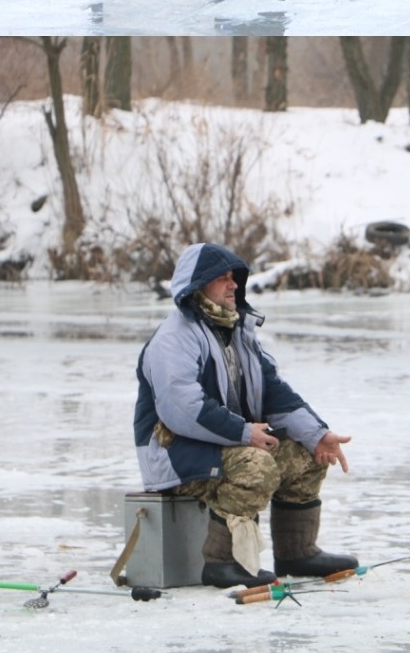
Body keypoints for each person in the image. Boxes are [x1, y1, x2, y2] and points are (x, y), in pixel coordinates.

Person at [134, 242, 358, 587]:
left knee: (307, 455)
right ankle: (223, 562)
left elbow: (271, 389)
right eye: (221, 278)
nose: (233, 284)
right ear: (197, 286)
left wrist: (317, 434)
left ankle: (297, 552)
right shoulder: (174, 338)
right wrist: (243, 433)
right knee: (255, 465)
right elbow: (183, 409)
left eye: (234, 278)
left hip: (222, 444)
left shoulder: (237, 330)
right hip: (176, 453)